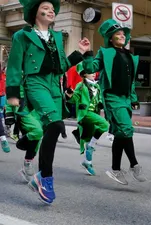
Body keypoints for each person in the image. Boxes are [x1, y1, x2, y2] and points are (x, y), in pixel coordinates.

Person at [6, 0, 90, 204]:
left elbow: (61, 66)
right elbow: (15, 66)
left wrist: (79, 52)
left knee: (51, 130)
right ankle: (45, 177)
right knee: (55, 124)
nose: (51, 11)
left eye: (53, 9)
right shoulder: (22, 36)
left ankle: (37, 169)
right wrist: (13, 93)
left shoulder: (57, 37)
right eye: (46, 8)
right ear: (35, 13)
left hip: (54, 84)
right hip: (35, 83)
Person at [82, 18, 147, 185]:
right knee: (127, 129)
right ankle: (134, 164)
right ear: (110, 38)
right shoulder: (105, 53)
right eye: (117, 34)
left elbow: (130, 80)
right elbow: (90, 68)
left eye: (123, 34)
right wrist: (87, 53)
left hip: (125, 98)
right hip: (112, 97)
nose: (122, 36)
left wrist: (133, 98)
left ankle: (116, 169)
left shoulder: (129, 56)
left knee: (120, 133)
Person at [65, 62, 109, 176]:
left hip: (93, 113)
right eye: (90, 72)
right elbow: (74, 98)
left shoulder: (97, 86)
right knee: (105, 125)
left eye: (94, 71)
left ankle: (87, 162)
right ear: (84, 74)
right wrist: (69, 95)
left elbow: (99, 100)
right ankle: (90, 146)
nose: (94, 73)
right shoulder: (81, 85)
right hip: (85, 114)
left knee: (89, 138)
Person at [5, 85, 43, 182]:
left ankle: (28, 164)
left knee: (37, 140)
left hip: (38, 110)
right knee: (37, 131)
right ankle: (21, 142)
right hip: (23, 110)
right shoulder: (18, 74)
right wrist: (9, 115)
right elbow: (10, 92)